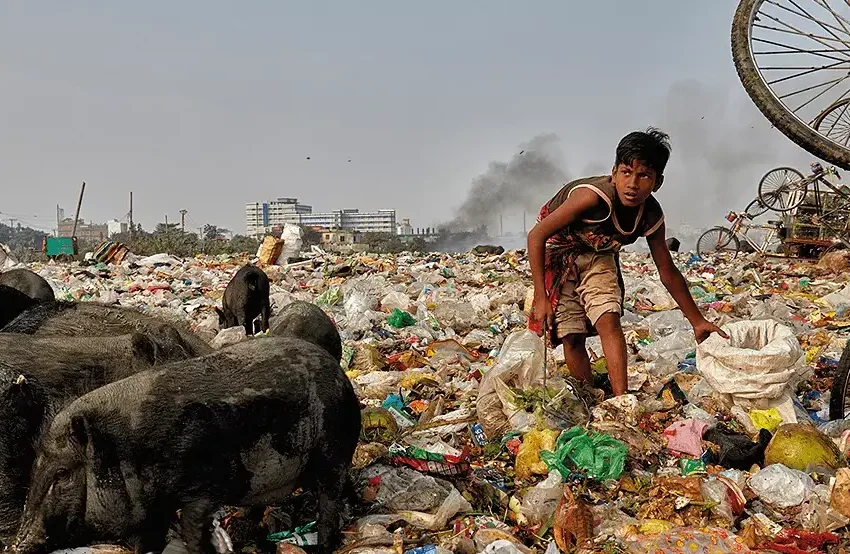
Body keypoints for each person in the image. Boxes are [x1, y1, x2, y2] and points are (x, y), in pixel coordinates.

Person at [527, 128, 726, 396]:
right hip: (558, 251)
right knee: (571, 334)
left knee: (608, 318)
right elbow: (537, 236)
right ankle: (588, 396)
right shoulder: (592, 198)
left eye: (644, 175)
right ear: (614, 173)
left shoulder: (650, 215)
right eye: (626, 172)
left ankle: (621, 400)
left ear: (657, 182)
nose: (632, 184)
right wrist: (541, 296)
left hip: (599, 253)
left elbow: (667, 271)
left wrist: (697, 321)